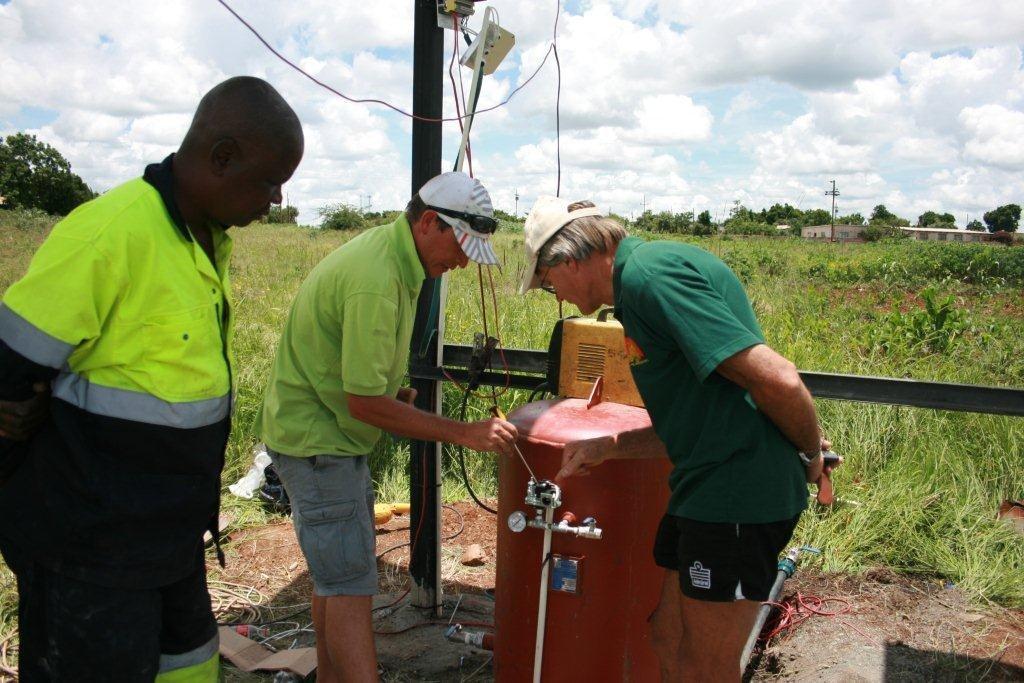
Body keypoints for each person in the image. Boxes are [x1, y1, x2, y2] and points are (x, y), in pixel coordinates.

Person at [0, 76, 303, 681]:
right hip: (88, 554)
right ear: (222, 157)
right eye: (270, 181)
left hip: (168, 539)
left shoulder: (206, 239)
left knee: (191, 667)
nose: (273, 201)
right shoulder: (110, 233)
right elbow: (10, 364)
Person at [519, 197, 834, 682]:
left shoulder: (650, 276)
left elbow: (779, 380)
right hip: (702, 488)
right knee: (667, 636)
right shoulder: (637, 288)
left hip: (737, 493)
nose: (555, 295)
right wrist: (612, 446)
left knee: (705, 667)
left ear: (570, 260)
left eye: (547, 283)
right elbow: (696, 416)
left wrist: (812, 454)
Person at [257, 171, 518, 682]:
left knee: (335, 580)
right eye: (461, 246)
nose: (463, 262)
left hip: (320, 434)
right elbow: (362, 403)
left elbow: (356, 382)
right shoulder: (378, 279)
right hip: (317, 445)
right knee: (352, 586)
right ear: (428, 223)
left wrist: (385, 394)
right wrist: (464, 432)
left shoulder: (391, 258)